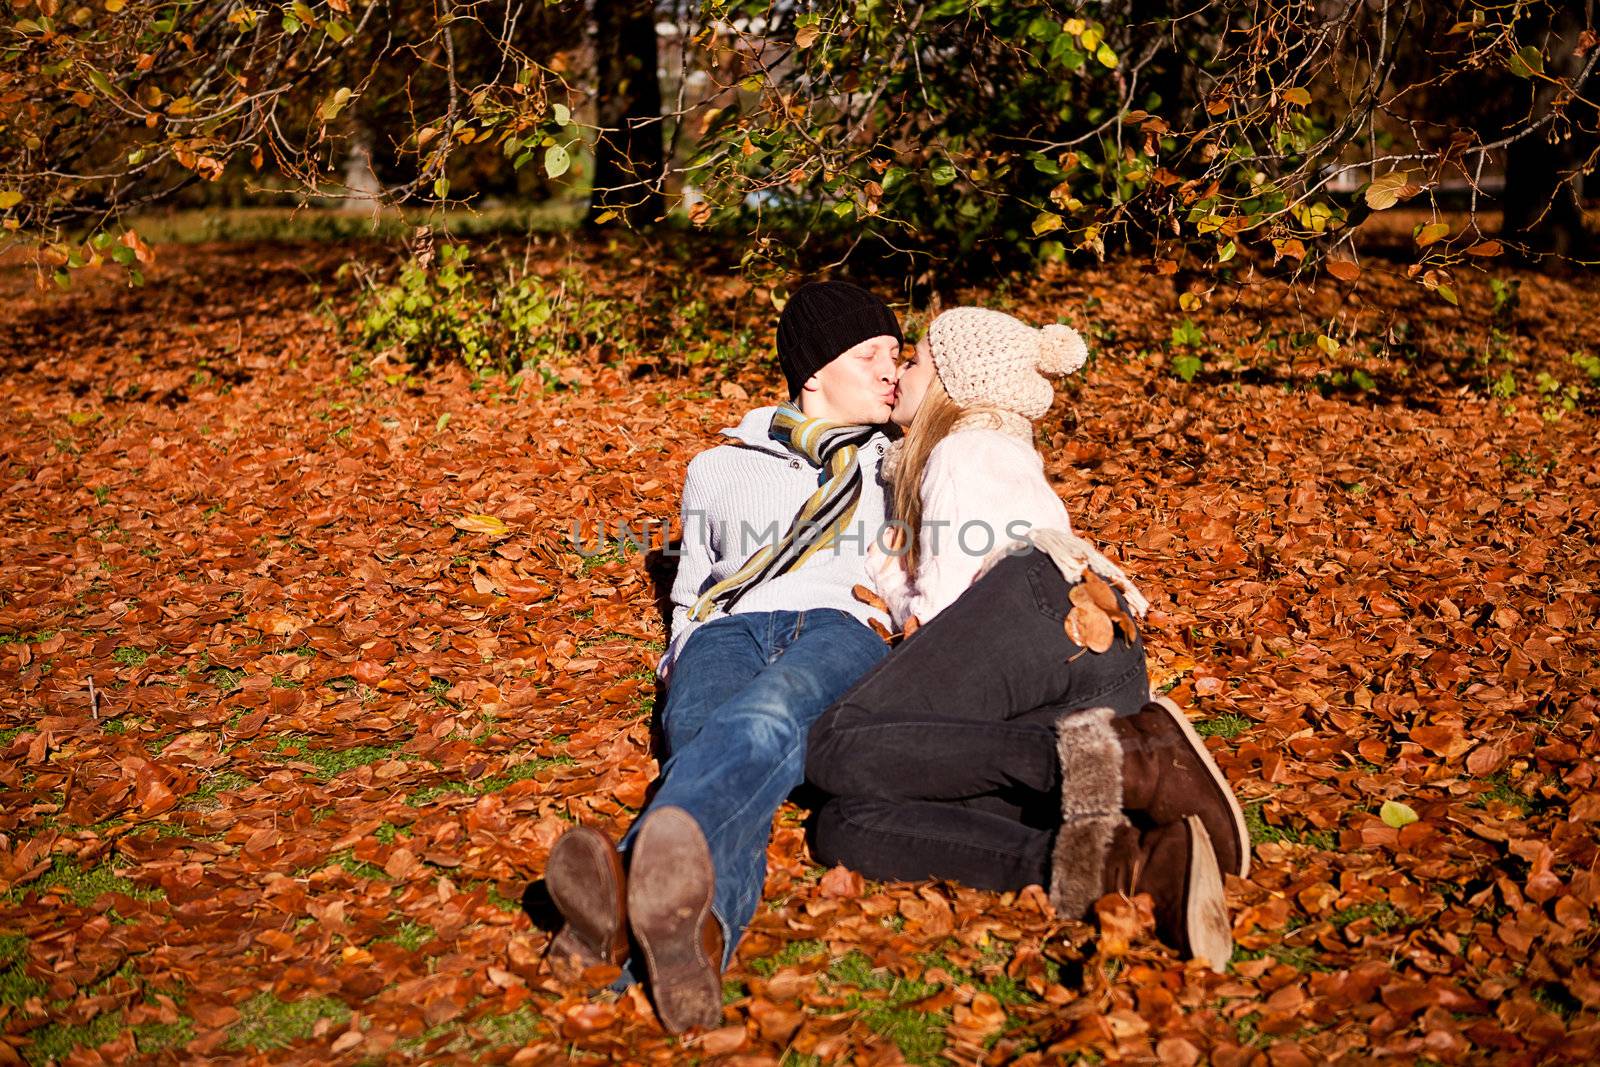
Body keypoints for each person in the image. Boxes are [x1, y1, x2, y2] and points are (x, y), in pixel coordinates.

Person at [805, 307, 1249, 970]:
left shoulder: (962, 450)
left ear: (961, 384)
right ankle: (1133, 861)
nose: (900, 373)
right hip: (1095, 657)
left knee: (839, 743)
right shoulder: (1002, 451)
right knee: (847, 819)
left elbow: (951, 608)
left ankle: (1141, 760)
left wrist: (893, 591)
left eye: (916, 361)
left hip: (1042, 609)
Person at [541, 281, 904, 1032]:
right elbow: (694, 583)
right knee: (706, 743)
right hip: (727, 631)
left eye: (897, 356)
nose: (890, 370)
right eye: (871, 354)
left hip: (841, 625)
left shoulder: (897, 463)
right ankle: (695, 941)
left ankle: (619, 898)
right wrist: (680, 650)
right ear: (812, 371)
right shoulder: (717, 465)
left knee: (764, 721)